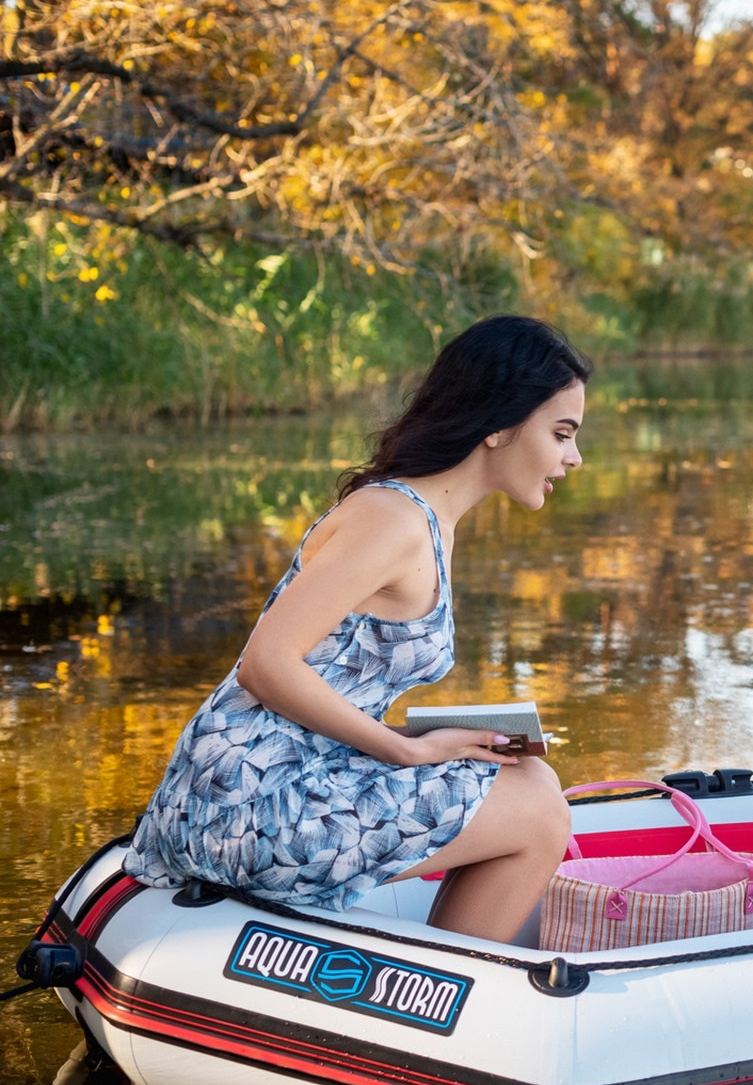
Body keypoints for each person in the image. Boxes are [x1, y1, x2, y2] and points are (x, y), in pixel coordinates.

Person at [124, 315, 589, 942]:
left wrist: (427, 734)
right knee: (537, 811)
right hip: (241, 808)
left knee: (529, 777)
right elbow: (266, 665)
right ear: (500, 424)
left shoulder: (425, 519)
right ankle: (454, 998)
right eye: (562, 433)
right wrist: (406, 749)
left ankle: (454, 977)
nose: (574, 456)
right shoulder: (394, 519)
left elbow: (327, 679)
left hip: (282, 776)